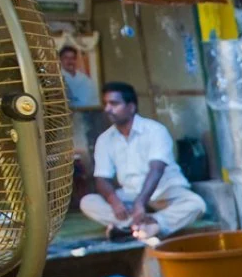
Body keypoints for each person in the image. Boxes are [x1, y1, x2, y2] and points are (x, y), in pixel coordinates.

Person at [79, 82, 206, 239]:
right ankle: (142, 225)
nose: (107, 109)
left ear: (131, 107)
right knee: (88, 202)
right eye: (106, 104)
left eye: (114, 104)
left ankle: (148, 223)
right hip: (130, 196)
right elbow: (102, 179)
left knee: (196, 204)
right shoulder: (105, 139)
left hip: (163, 192)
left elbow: (156, 170)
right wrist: (114, 202)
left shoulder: (155, 130)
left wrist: (140, 203)